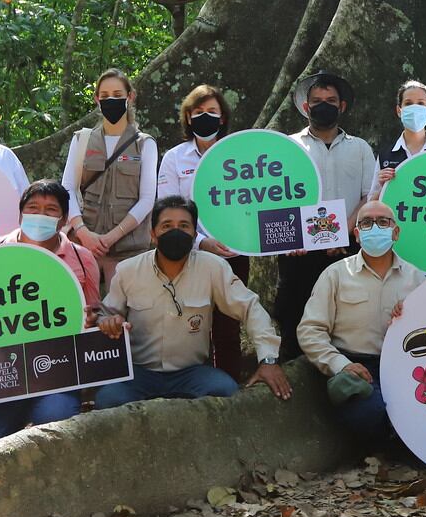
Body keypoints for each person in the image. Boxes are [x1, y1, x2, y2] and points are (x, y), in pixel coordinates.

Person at [93, 196, 292, 408]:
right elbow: (105, 314)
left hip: (192, 373)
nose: (175, 232)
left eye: (184, 226)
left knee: (226, 392)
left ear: (194, 235)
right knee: (108, 400)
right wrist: (107, 321)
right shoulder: (128, 271)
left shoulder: (213, 268)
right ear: (153, 235)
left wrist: (268, 360)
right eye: (167, 226)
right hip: (139, 372)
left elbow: (250, 307)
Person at [0, 181, 99, 453]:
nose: (40, 215)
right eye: (33, 208)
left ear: (63, 219)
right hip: (1, 375)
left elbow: (93, 310)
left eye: (50, 210)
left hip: (57, 372)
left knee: (57, 417)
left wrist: (99, 320)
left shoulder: (83, 259)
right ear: (21, 214)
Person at [296, 199, 425, 441]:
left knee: (423, 413)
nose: (375, 227)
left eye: (383, 221)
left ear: (395, 232)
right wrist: (340, 364)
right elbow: (310, 330)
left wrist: (409, 318)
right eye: (366, 222)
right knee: (368, 413)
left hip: (404, 369)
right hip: (354, 368)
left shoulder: (416, 277)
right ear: (356, 234)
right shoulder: (335, 274)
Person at [280, 70, 376, 359]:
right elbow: (276, 196)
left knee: (346, 312)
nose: (324, 105)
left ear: (341, 106)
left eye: (331, 100)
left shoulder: (359, 148)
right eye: (317, 100)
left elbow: (368, 195)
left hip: (345, 247)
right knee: (293, 312)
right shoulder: (288, 147)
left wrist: (345, 230)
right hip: (297, 251)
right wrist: (291, 237)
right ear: (306, 107)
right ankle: (294, 372)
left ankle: (345, 369)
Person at [157, 84, 250, 377]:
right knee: (190, 321)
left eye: (212, 112)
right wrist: (200, 242)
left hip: (234, 253)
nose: (205, 117)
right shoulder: (174, 158)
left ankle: (229, 383)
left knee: (228, 322)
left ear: (222, 118)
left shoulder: (239, 152)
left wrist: (243, 240)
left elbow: (254, 200)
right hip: (188, 254)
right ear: (187, 117)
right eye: (198, 112)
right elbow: (166, 211)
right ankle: (191, 383)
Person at [61, 68, 157, 288]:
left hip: (128, 251)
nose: (110, 100)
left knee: (125, 316)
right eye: (104, 96)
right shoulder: (82, 140)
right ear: (96, 99)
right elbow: (67, 188)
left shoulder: (144, 144)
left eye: (117, 95)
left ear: (129, 97)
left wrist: (111, 237)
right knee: (86, 312)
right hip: (84, 246)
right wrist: (84, 233)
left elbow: (147, 199)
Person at [371, 80, 426, 199]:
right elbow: (370, 205)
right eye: (408, 103)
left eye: (420, 103)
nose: (415, 108)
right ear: (399, 110)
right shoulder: (385, 155)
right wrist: (384, 187)